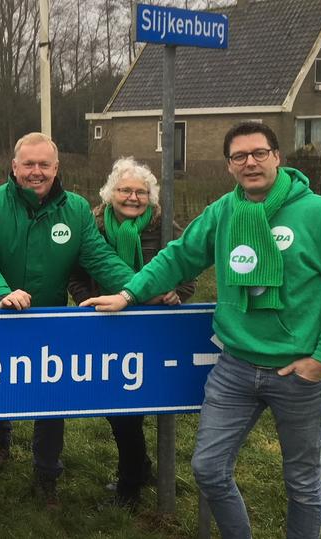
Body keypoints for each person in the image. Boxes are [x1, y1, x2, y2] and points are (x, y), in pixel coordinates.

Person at [82, 122, 321, 538]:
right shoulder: (223, 212)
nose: (249, 162)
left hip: (298, 373)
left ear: (276, 157)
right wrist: (128, 294)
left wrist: (320, 360)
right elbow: (178, 258)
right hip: (235, 368)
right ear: (229, 166)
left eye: (258, 153)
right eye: (239, 156)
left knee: (302, 483)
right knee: (208, 469)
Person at [0, 132, 134, 505]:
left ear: (56, 169)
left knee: (51, 399)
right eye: (28, 164)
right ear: (14, 167)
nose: (36, 172)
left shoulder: (75, 209)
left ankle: (46, 475)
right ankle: (0, 439)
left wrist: (143, 287)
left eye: (44, 165)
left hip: (49, 321)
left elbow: (100, 258)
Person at [67, 156, 196, 508]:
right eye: (125, 190)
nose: (133, 198)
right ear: (110, 193)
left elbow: (188, 270)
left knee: (134, 404)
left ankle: (129, 488)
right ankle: (139, 470)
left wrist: (177, 292)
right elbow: (74, 273)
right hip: (107, 324)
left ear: (151, 197)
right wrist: (89, 299)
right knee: (119, 406)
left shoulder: (165, 227)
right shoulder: (92, 226)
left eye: (141, 192)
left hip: (154, 325)